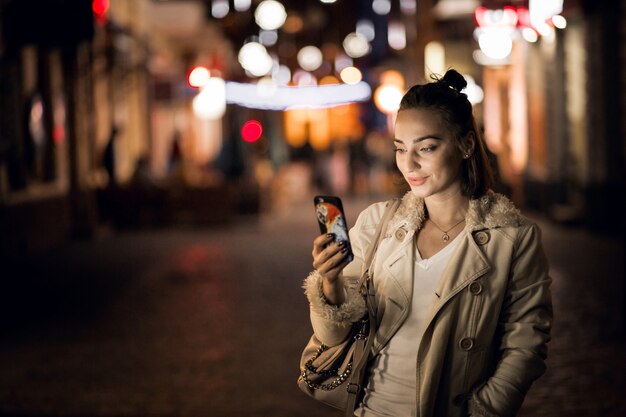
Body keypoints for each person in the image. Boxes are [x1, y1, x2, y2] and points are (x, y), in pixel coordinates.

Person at [304, 69, 552, 417]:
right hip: (371, 408)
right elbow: (333, 337)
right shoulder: (378, 224)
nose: (410, 163)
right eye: (400, 148)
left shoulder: (512, 237)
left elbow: (526, 343)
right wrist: (329, 284)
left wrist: (484, 410)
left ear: (466, 144)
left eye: (427, 147)